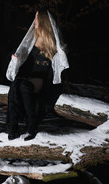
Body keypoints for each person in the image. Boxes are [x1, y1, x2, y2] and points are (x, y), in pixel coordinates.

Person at [6, 10, 69, 141]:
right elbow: (25, 64)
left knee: (23, 85)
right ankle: (13, 127)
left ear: (43, 22)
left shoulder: (53, 44)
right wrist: (16, 61)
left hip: (42, 80)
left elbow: (58, 69)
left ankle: (32, 126)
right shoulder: (31, 41)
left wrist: (61, 57)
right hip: (28, 78)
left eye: (36, 18)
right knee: (16, 85)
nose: (34, 21)